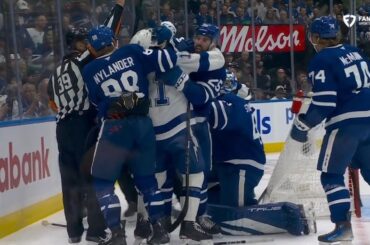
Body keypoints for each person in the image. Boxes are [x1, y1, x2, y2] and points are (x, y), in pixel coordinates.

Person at [81, 25, 176, 245]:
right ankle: (160, 230)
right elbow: (167, 61)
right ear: (114, 42)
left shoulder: (88, 70)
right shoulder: (131, 52)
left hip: (115, 127)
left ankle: (116, 234)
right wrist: (172, 43)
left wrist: (117, 102)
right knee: (148, 182)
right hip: (143, 125)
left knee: (103, 182)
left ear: (92, 48)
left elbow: (99, 103)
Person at [47, 1, 125, 243]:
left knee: (69, 182)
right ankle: (95, 231)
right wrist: (119, 7)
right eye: (85, 42)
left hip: (62, 129)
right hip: (82, 127)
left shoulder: (54, 73)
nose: (89, 44)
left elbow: (53, 103)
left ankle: (73, 232)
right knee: (92, 177)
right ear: (77, 45)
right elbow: (108, 31)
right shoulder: (83, 61)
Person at [290, 16, 370, 244]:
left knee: (331, 175)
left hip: (346, 123)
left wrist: (304, 124)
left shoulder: (322, 59)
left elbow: (325, 102)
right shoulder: (355, 52)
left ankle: (343, 226)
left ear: (315, 37)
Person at [161, 23, 227, 240]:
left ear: (213, 42)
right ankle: (165, 217)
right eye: (197, 37)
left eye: (205, 40)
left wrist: (181, 80)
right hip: (172, 122)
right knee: (168, 172)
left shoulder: (217, 64)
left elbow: (200, 97)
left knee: (201, 173)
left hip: (197, 124)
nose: (199, 42)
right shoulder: (184, 51)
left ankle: (198, 216)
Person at [208, 69, 266, 207]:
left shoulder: (228, 103)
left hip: (241, 165)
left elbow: (208, 112)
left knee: (235, 211)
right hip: (227, 163)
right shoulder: (237, 100)